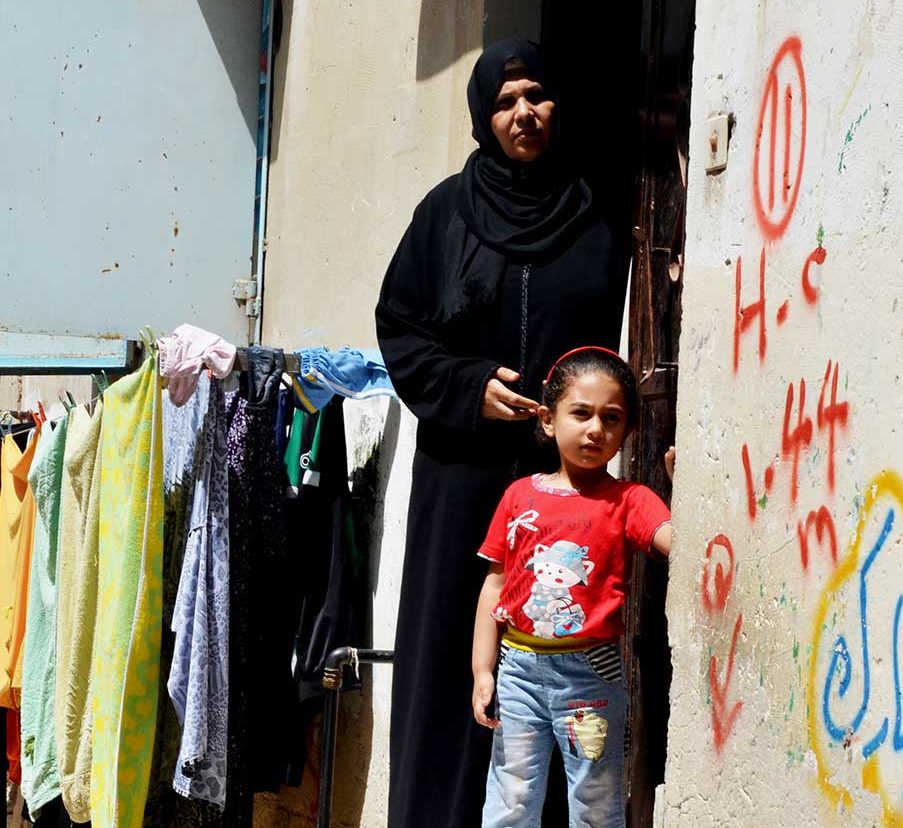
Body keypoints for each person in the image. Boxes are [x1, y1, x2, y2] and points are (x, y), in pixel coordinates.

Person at [376, 40, 632, 828]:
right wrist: (466, 386)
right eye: (504, 101)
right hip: (464, 479)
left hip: (566, 493)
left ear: (556, 107)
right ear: (484, 118)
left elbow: (612, 351)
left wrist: (581, 419)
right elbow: (401, 328)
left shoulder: (595, 217)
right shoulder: (444, 213)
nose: (522, 112)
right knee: (457, 652)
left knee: (563, 651)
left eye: (535, 95)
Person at [471, 347, 672, 827]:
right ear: (547, 418)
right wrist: (483, 670)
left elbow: (676, 543)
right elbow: (494, 585)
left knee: (596, 803)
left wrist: (681, 485)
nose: (595, 429)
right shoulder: (520, 496)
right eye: (580, 413)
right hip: (517, 671)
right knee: (510, 798)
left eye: (612, 417)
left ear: (628, 432)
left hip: (592, 679)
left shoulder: (630, 500)